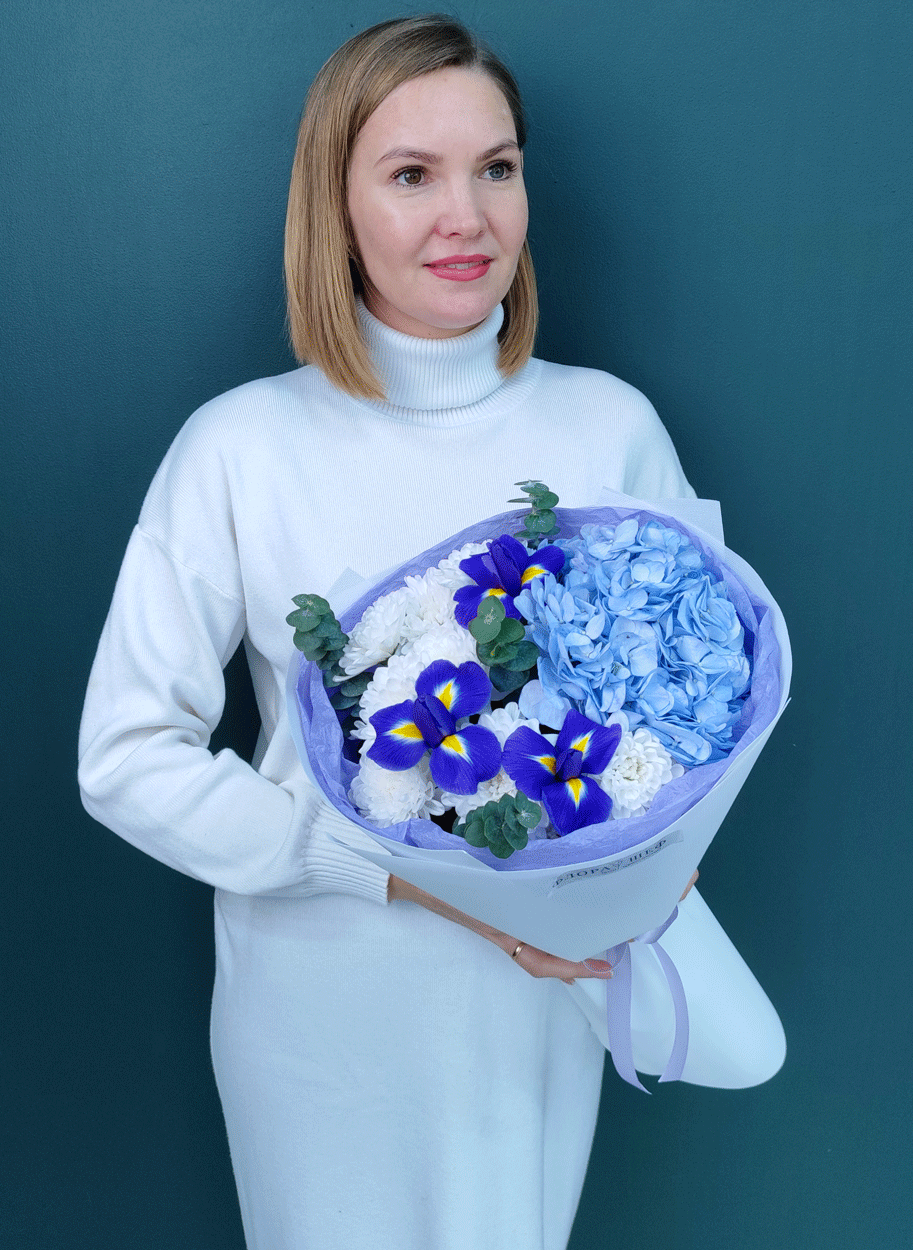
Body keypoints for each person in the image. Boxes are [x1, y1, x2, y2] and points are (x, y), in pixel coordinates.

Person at [79, 15, 754, 1250]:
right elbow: (125, 755)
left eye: (495, 168)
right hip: (321, 1008)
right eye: (410, 175)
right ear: (334, 207)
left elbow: (695, 721)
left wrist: (645, 880)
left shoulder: (609, 430)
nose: (467, 217)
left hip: (535, 1008)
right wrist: (374, 867)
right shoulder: (241, 448)